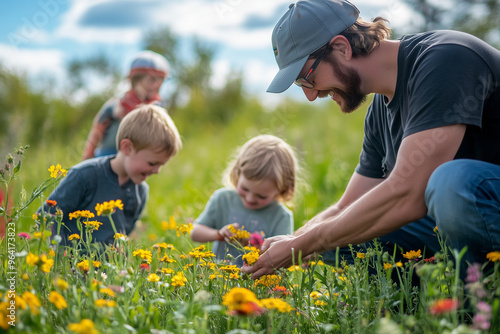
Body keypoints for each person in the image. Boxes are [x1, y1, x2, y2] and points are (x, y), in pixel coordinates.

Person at [242, 0, 500, 281]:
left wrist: (306, 243)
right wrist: (294, 242)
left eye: (307, 78)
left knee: (451, 182)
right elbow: (346, 207)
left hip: (479, 202)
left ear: (342, 47)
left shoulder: (446, 59)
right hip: (465, 222)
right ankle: (409, 310)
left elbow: (408, 194)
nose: (311, 95)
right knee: (345, 233)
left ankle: (481, 308)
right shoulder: (379, 111)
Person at [40, 105, 182, 246]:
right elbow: (46, 215)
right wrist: (58, 255)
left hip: (110, 267)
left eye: (161, 165)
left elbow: (124, 234)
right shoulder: (85, 175)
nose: (157, 171)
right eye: (152, 163)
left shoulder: (141, 191)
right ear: (127, 147)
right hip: (72, 263)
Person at [190, 134, 298, 266]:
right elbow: (195, 232)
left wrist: (253, 244)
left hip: (259, 281)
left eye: (261, 196)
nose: (250, 198)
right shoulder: (222, 199)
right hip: (219, 277)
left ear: (282, 189)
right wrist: (219, 234)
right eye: (244, 189)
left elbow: (283, 257)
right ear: (237, 173)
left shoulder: (281, 216)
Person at [82, 50, 170, 160]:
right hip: (108, 155)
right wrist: (88, 155)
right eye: (152, 80)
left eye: (161, 80)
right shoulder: (117, 104)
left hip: (138, 157)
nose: (157, 85)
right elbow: (98, 129)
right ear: (134, 80)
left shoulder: (158, 108)